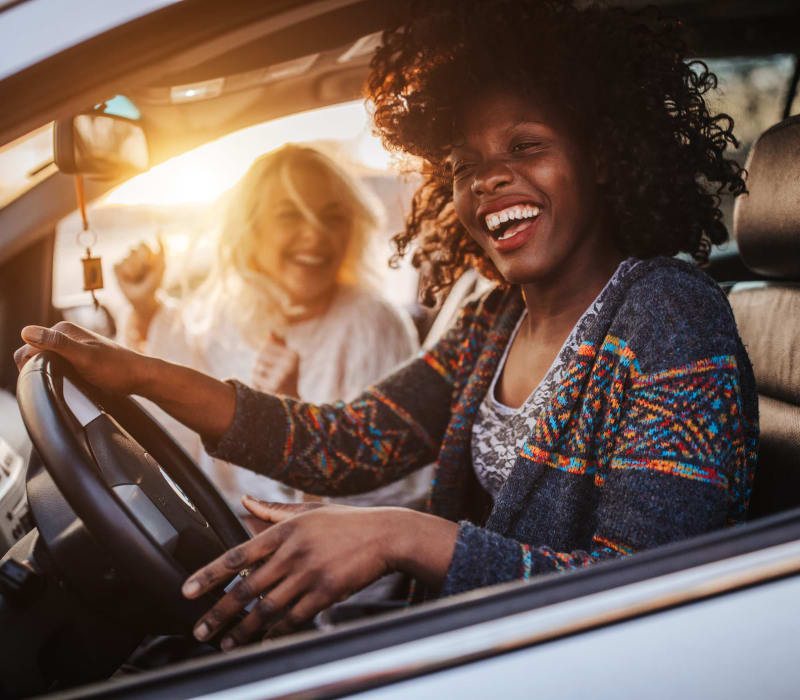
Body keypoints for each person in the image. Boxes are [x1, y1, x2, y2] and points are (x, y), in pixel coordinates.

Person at [16, 0, 758, 651]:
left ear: (601, 157)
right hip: (474, 647)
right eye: (465, 165)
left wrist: (398, 537)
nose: (488, 180)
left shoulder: (669, 315)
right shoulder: (495, 320)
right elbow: (339, 442)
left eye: (525, 146)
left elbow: (648, 593)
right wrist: (141, 374)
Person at [111, 144, 430, 534]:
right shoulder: (219, 310)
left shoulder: (374, 325)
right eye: (291, 215)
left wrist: (292, 417)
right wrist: (145, 309)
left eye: (332, 217)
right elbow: (167, 432)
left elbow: (394, 499)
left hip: (323, 565)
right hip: (219, 534)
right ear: (252, 228)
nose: (315, 234)